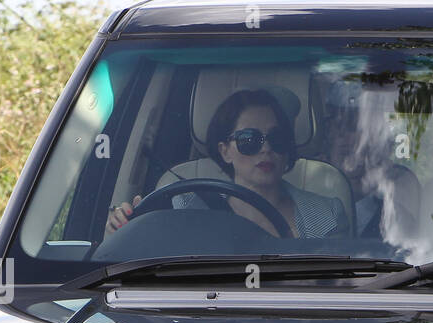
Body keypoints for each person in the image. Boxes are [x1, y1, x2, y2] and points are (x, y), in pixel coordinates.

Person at [106, 88, 350, 239]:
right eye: (249, 140)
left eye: (276, 138)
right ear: (225, 152)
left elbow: (337, 290)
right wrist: (126, 228)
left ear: (287, 148)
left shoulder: (328, 213)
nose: (265, 149)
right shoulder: (182, 209)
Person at [321, 80, 420, 238]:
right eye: (336, 125)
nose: (342, 136)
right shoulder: (303, 213)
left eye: (353, 126)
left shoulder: (396, 222)